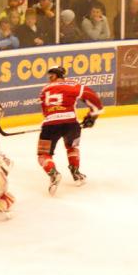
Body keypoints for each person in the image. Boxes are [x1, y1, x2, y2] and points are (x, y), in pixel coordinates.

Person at [37, 66, 103, 195]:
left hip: (50, 125)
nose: (49, 78)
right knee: (72, 147)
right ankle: (76, 173)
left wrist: (52, 122)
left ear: (56, 75)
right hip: (72, 124)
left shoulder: (44, 90)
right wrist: (92, 116)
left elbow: (46, 112)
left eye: (51, 75)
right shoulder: (73, 85)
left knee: (43, 154)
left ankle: (53, 174)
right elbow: (92, 97)